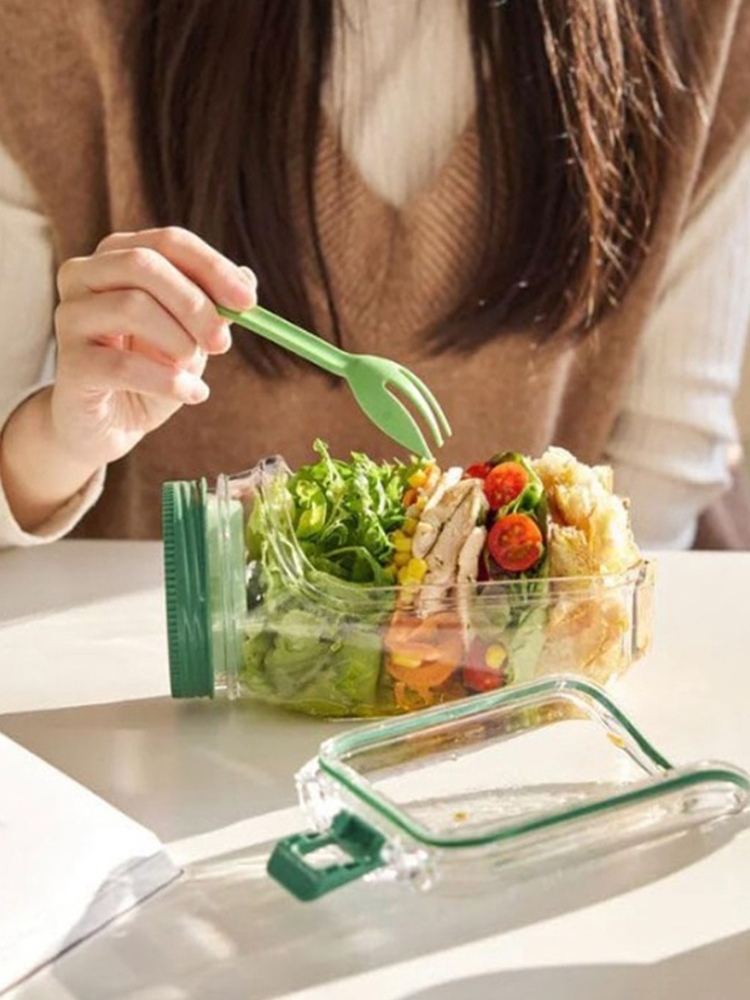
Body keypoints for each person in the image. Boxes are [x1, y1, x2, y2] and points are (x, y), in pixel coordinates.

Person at [0, 0, 749, 550]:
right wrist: (63, 440)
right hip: (145, 674)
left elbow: (663, 474)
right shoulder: (53, 23)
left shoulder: (701, 26)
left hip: (535, 688)